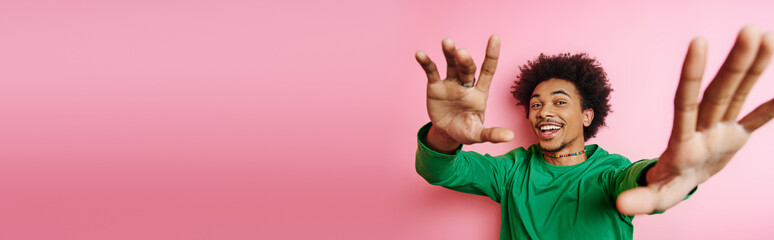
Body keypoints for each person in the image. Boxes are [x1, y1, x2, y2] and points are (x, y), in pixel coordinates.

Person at [413, 25, 774, 239]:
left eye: (559, 102)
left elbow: (640, 177)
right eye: (536, 104)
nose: (543, 112)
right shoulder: (511, 171)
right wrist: (446, 134)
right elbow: (438, 169)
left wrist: (670, 174)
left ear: (588, 115)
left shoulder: (609, 173)